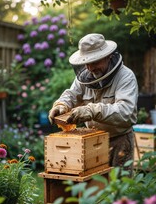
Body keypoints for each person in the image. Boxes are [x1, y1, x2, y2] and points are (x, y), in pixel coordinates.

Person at [48, 33, 138, 175]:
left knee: (119, 193)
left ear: (108, 56)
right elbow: (71, 94)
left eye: (95, 62)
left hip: (118, 141)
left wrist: (91, 111)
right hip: (92, 140)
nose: (90, 68)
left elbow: (125, 112)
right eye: (87, 63)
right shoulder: (85, 77)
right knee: (94, 191)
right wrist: (61, 105)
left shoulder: (125, 77)